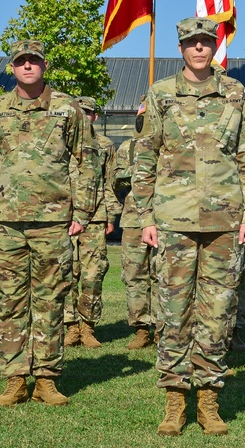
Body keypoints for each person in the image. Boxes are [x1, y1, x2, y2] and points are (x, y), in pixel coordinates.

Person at [132, 17, 245, 437]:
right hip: (172, 220)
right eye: (192, 43)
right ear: (181, 48)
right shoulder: (161, 95)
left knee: (217, 313)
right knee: (172, 313)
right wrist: (145, 218)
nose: (199, 49)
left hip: (225, 222)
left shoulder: (235, 93)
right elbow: (145, 158)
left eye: (206, 42)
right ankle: (175, 401)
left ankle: (208, 399)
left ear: (215, 45)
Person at [0, 39, 95, 408]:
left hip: (54, 222)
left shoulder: (67, 108)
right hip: (7, 221)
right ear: (12, 68)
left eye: (34, 62)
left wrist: (82, 212)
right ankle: (14, 378)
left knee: (51, 300)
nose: (27, 67)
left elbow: (85, 161)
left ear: (43, 67)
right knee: (9, 300)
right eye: (21, 62)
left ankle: (46, 379)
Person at [63, 96, 117, 348]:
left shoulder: (105, 145)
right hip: (64, 218)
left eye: (88, 113)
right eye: (80, 112)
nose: (84, 116)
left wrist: (110, 216)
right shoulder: (61, 141)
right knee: (65, 273)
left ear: (95, 116)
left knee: (93, 274)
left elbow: (110, 183)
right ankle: (70, 326)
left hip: (95, 218)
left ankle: (88, 327)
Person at [112, 136, 159, 349]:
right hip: (133, 219)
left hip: (165, 218)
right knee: (134, 275)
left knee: (163, 275)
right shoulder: (128, 147)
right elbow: (116, 179)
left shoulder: (169, 143)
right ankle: (141, 329)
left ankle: (162, 328)